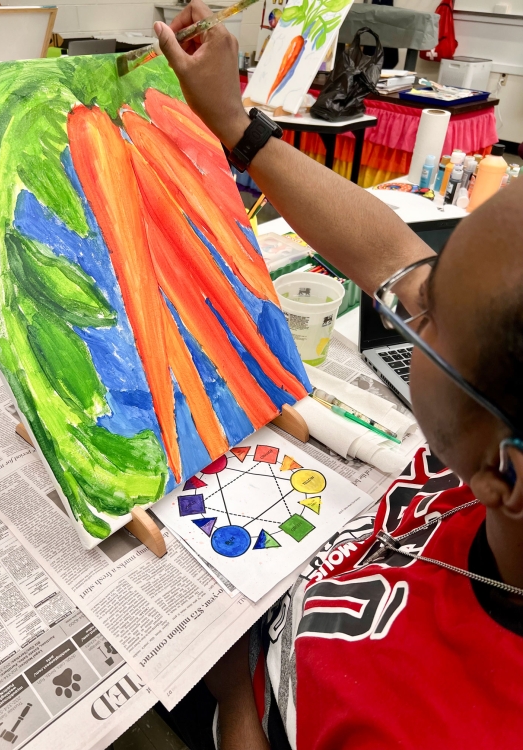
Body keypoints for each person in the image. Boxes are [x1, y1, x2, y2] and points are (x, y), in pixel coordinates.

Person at [152, 4, 523, 747]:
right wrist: (236, 125)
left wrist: (234, 695)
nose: (403, 299)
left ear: (504, 474)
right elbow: (390, 257)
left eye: (427, 315)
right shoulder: (493, 473)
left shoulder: (433, 722)